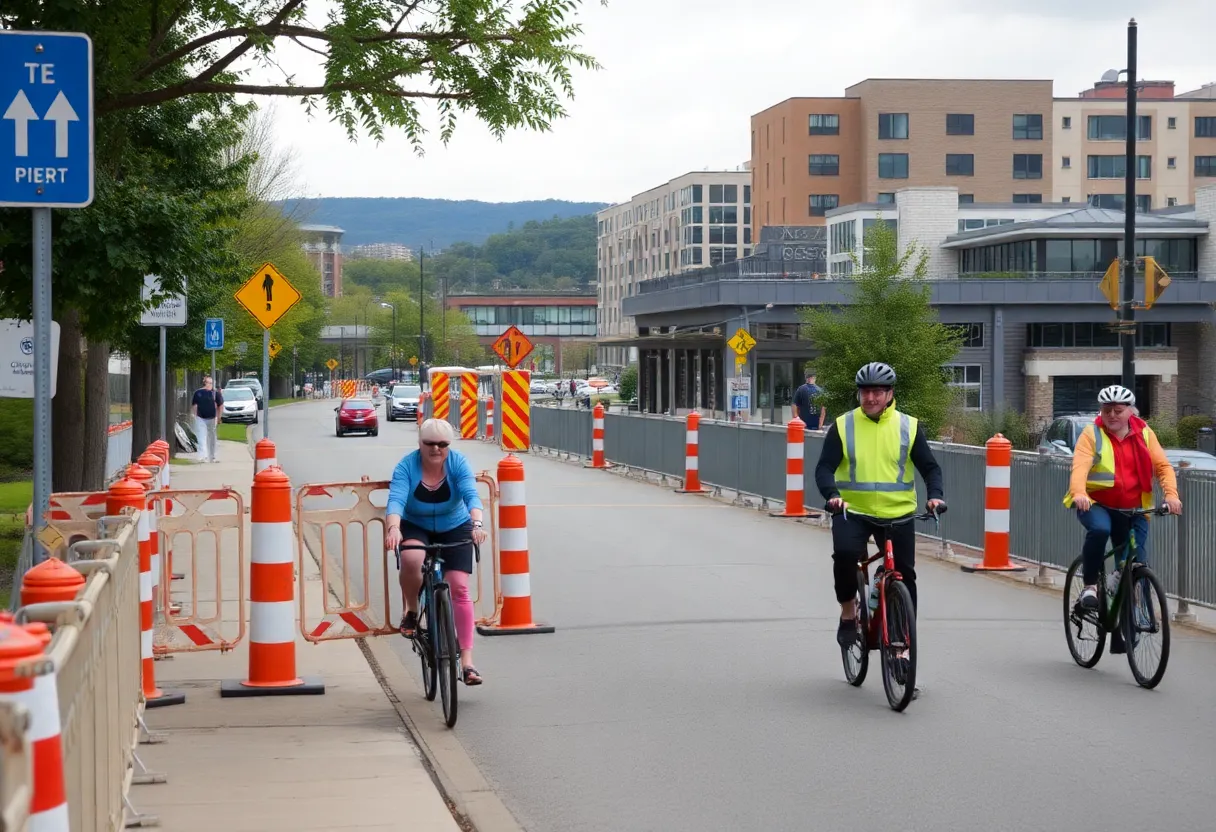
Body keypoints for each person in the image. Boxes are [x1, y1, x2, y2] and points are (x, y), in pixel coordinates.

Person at [814, 362, 946, 654]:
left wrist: (935, 496)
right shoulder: (843, 425)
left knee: (904, 574)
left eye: (877, 391)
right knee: (846, 556)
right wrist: (833, 495)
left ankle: (902, 647)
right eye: (865, 392)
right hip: (853, 512)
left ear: (889, 394)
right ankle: (848, 613)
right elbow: (824, 468)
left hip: (897, 514)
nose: (870, 398)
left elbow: (930, 468)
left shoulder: (908, 426)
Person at [1065, 385, 1181, 645]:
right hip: (1096, 504)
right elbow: (1080, 467)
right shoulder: (1092, 434)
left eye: (1118, 410)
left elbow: (1162, 466)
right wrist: (1079, 493)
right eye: (1107, 411)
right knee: (1100, 530)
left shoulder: (1145, 434)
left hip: (1134, 509)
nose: (1112, 415)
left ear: (1131, 411)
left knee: (1135, 564)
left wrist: (1171, 495)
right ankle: (1090, 587)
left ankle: (1127, 621)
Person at [385, 419, 490, 685]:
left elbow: (471, 496)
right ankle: (410, 610)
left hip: (454, 524)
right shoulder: (407, 466)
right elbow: (396, 500)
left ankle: (467, 662)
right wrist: (394, 529)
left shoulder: (457, 463)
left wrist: (477, 524)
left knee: (459, 587)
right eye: (429, 444)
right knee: (411, 557)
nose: (436, 449)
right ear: (420, 443)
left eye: (442, 444)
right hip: (415, 524)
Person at [191, 376, 223, 462]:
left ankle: (212, 456)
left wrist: (219, 417)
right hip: (200, 417)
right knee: (201, 436)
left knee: (212, 437)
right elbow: (194, 405)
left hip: (212, 418)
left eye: (211, 383)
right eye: (208, 382)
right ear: (204, 383)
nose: (210, 385)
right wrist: (195, 415)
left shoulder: (215, 393)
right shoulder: (198, 393)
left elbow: (220, 405)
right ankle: (202, 456)